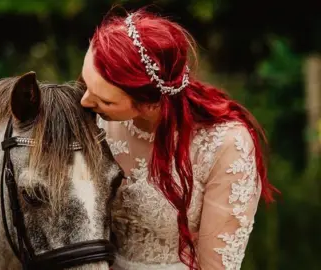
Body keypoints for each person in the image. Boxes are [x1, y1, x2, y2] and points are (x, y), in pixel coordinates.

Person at [79, 8, 278, 270]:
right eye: (85, 84)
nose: (84, 102)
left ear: (150, 103)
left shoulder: (224, 145)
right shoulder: (93, 120)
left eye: (105, 100)